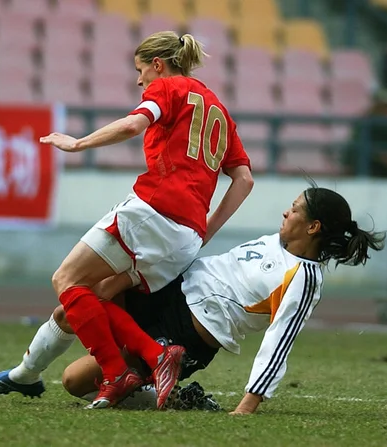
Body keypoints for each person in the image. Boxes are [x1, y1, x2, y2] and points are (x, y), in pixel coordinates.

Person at [24, 30, 253, 409]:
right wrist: (205, 231)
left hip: (154, 211)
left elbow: (133, 125)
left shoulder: (170, 88)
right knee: (94, 296)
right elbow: (244, 179)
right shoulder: (218, 110)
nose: (139, 80)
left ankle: (123, 370)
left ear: (158, 65)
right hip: (187, 236)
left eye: (141, 70)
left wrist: (77, 143)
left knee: (66, 280)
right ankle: (147, 358)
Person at [58, 186, 386, 414]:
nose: (287, 212)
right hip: (169, 292)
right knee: (83, 297)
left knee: (74, 381)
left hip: (186, 334)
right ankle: (24, 373)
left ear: (313, 226)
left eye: (296, 209)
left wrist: (247, 405)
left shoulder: (303, 279)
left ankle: (177, 395)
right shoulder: (275, 240)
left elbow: (278, 343)